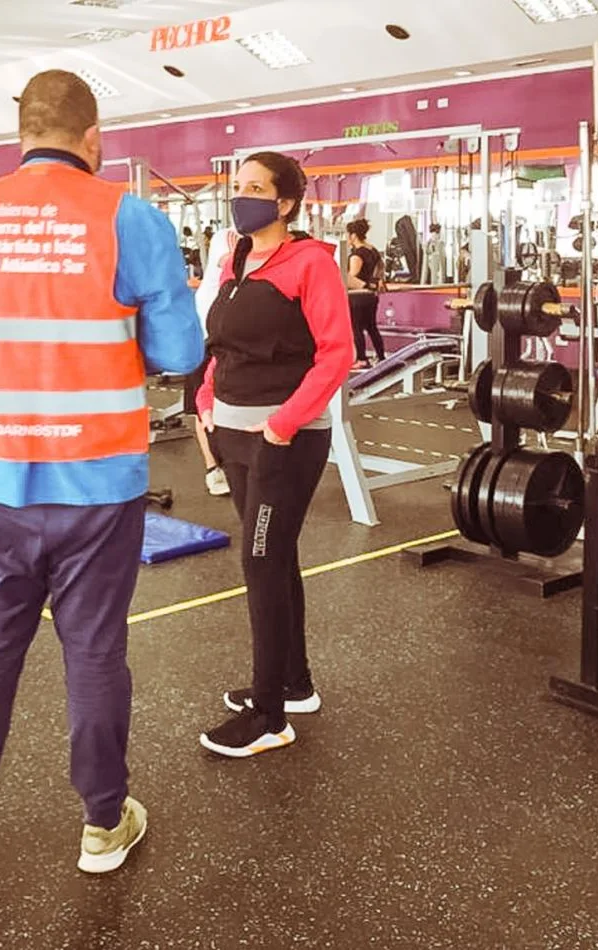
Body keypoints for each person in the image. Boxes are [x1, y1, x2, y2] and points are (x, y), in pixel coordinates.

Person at [0, 69, 204, 882]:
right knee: (96, 651)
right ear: (94, 138)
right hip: (100, 482)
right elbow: (181, 355)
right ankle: (104, 825)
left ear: (22, 133)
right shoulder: (131, 218)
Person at [194, 151, 353, 759]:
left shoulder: (310, 263)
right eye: (239, 187)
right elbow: (223, 344)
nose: (243, 197)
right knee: (275, 555)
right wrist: (208, 394)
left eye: (256, 188)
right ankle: (294, 684)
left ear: (285, 203)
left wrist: (283, 425)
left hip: (282, 439)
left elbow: (335, 354)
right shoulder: (238, 259)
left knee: (260, 561)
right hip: (232, 430)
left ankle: (269, 717)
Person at [185, 226, 240, 496]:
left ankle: (234, 465)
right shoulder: (227, 236)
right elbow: (228, 261)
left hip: (233, 337)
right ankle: (212, 469)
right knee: (203, 405)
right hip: (204, 337)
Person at [345, 218, 386, 369]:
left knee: (356, 327)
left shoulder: (358, 254)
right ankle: (381, 357)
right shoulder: (373, 250)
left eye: (347, 235)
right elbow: (380, 271)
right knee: (371, 327)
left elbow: (353, 276)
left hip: (358, 296)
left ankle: (362, 359)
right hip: (371, 295)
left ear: (353, 235)